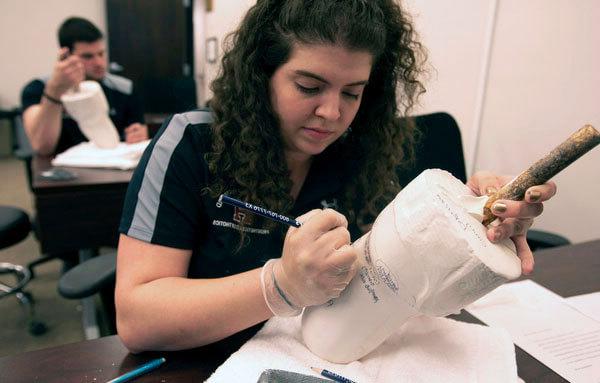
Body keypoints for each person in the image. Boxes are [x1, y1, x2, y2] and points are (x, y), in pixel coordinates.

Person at [116, 0, 556, 354]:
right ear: (260, 75)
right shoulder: (192, 143)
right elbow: (137, 320)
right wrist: (280, 286)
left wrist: (475, 226)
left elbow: (401, 285)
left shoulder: (362, 151)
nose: (331, 113)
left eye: (352, 93)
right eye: (308, 87)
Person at [21, 17, 148, 155]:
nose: (99, 62)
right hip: (60, 170)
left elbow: (139, 134)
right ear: (66, 56)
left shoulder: (124, 89)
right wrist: (54, 91)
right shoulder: (37, 89)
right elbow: (41, 146)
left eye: (101, 54)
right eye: (88, 57)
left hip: (111, 166)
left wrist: (138, 136)